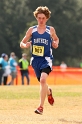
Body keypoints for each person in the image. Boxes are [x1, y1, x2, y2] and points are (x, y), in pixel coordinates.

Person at [20, 6, 59, 114]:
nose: (41, 20)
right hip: (35, 60)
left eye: (43, 18)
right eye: (39, 18)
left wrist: (55, 43)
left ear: (46, 18)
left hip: (46, 60)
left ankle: (40, 107)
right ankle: (49, 91)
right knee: (43, 82)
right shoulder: (32, 30)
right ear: (36, 18)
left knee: (42, 80)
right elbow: (22, 42)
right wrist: (25, 45)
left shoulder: (50, 30)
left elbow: (56, 39)